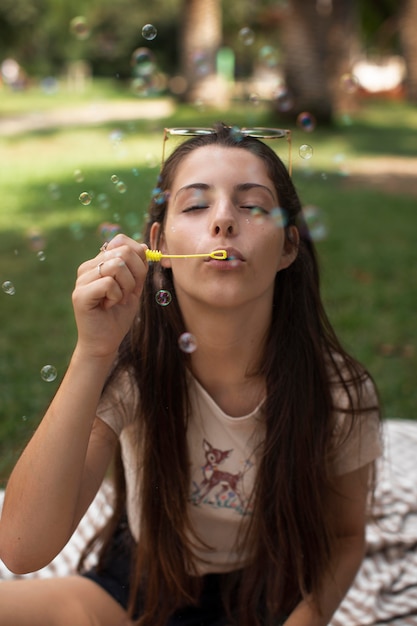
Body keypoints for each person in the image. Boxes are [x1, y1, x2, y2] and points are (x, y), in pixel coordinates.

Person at [0, 123, 382, 626]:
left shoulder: (336, 392)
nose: (223, 219)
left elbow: (344, 538)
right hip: (144, 583)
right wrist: (93, 351)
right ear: (158, 243)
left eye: (252, 205)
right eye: (197, 205)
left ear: (289, 246)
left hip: (269, 598)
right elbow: (22, 550)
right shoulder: (132, 370)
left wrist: (307, 618)